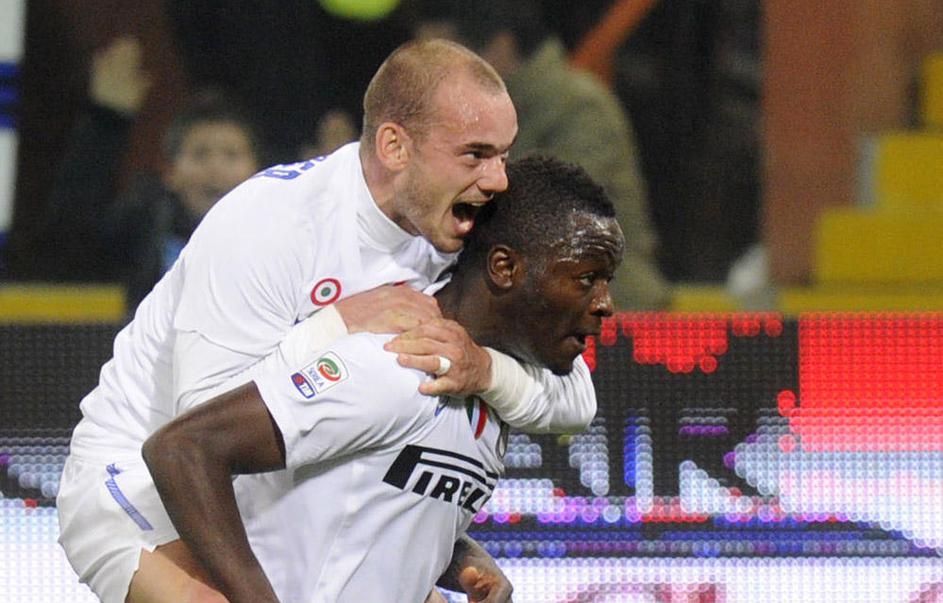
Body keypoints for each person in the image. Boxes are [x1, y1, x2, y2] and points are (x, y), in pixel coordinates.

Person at [57, 39, 599, 603]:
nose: (498, 180)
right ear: (394, 146)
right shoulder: (271, 224)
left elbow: (575, 395)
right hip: (141, 482)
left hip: (280, 495)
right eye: (475, 154)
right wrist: (334, 327)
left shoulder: (463, 229)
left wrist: (484, 369)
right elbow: (200, 433)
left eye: (503, 155)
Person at [143, 156, 625, 602]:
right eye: (587, 279)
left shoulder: (492, 390)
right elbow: (183, 450)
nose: (605, 304)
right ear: (504, 268)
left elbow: (356, 507)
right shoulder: (393, 362)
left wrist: (451, 555)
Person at [409, 0, 671, 310]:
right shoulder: (491, 113)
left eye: (443, 69)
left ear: (499, 49)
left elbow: (554, 219)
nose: (431, 84)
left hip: (609, 314)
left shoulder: (577, 108)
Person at [39, 36, 264, 311]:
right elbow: (72, 230)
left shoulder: (279, 233)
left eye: (231, 155)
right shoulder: (144, 223)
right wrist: (106, 121)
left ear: (257, 172)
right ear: (171, 172)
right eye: (200, 154)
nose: (215, 167)